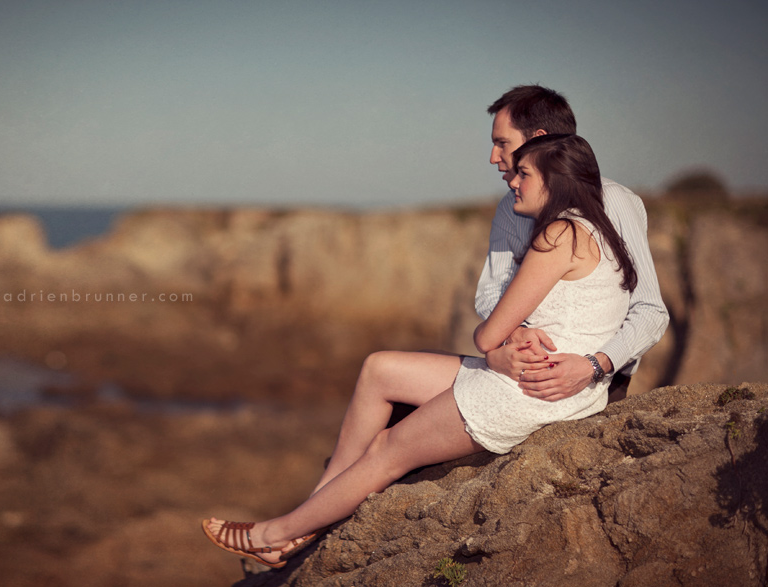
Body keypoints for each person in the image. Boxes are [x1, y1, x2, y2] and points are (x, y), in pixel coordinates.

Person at [203, 134, 640, 569]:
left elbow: (487, 336)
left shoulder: (559, 234)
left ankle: (271, 536)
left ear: (555, 180)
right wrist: (522, 336)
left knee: (386, 449)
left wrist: (508, 339)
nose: (513, 182)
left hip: (526, 392)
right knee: (380, 369)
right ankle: (317, 508)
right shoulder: (599, 228)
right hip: (542, 378)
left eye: (524, 174)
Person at [479, 86, 669, 403]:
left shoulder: (614, 200)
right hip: (525, 373)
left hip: (597, 382)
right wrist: (514, 333)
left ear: (537, 137)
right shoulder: (508, 210)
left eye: (502, 143)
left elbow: (649, 309)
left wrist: (595, 365)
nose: (493, 157)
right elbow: (490, 291)